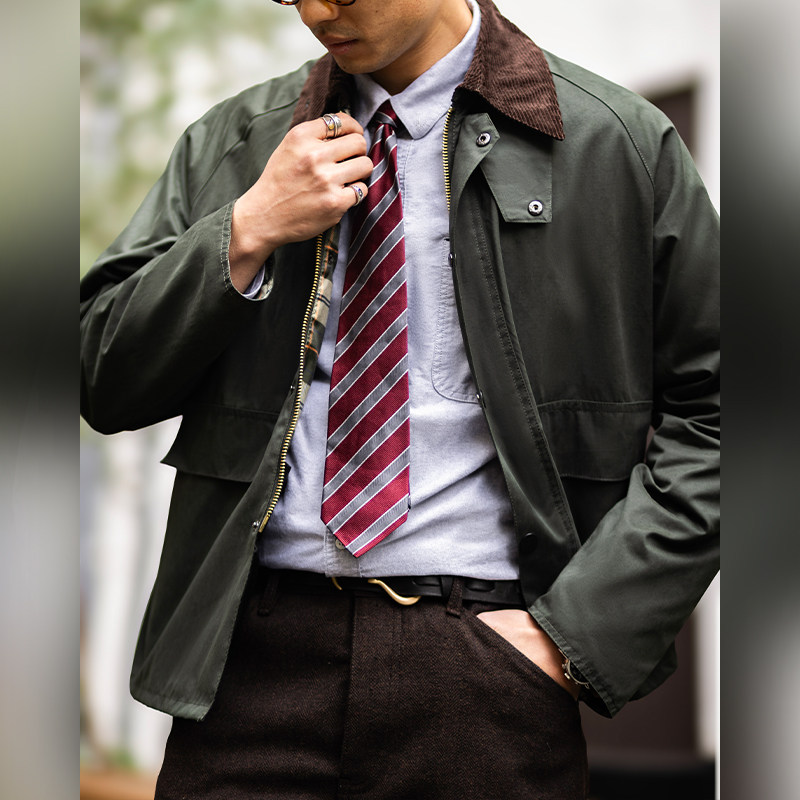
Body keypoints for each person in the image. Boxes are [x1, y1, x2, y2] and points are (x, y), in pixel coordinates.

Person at [80, 0, 720, 797]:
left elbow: (724, 417)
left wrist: (572, 638)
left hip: (485, 671)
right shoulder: (237, 142)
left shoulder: (614, 142)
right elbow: (99, 373)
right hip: (248, 671)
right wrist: (246, 229)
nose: (317, 12)